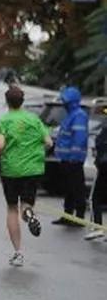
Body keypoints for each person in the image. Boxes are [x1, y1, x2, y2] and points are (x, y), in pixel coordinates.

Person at [0, 86, 51, 266]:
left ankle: (18, 253)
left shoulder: (3, 121)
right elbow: (49, 142)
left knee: (12, 208)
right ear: (22, 101)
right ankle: (29, 214)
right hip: (33, 169)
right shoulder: (34, 119)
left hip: (11, 169)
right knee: (26, 204)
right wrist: (35, 153)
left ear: (7, 102)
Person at [52, 86, 89, 227]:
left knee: (77, 188)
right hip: (67, 158)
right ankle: (67, 215)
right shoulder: (71, 115)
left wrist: (74, 156)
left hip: (74, 159)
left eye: (65, 101)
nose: (63, 103)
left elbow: (79, 138)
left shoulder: (78, 115)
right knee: (69, 188)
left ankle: (79, 217)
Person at [87, 124, 107, 240]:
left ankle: (97, 227)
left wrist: (98, 160)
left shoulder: (105, 130)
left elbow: (99, 144)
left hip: (104, 168)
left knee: (95, 198)